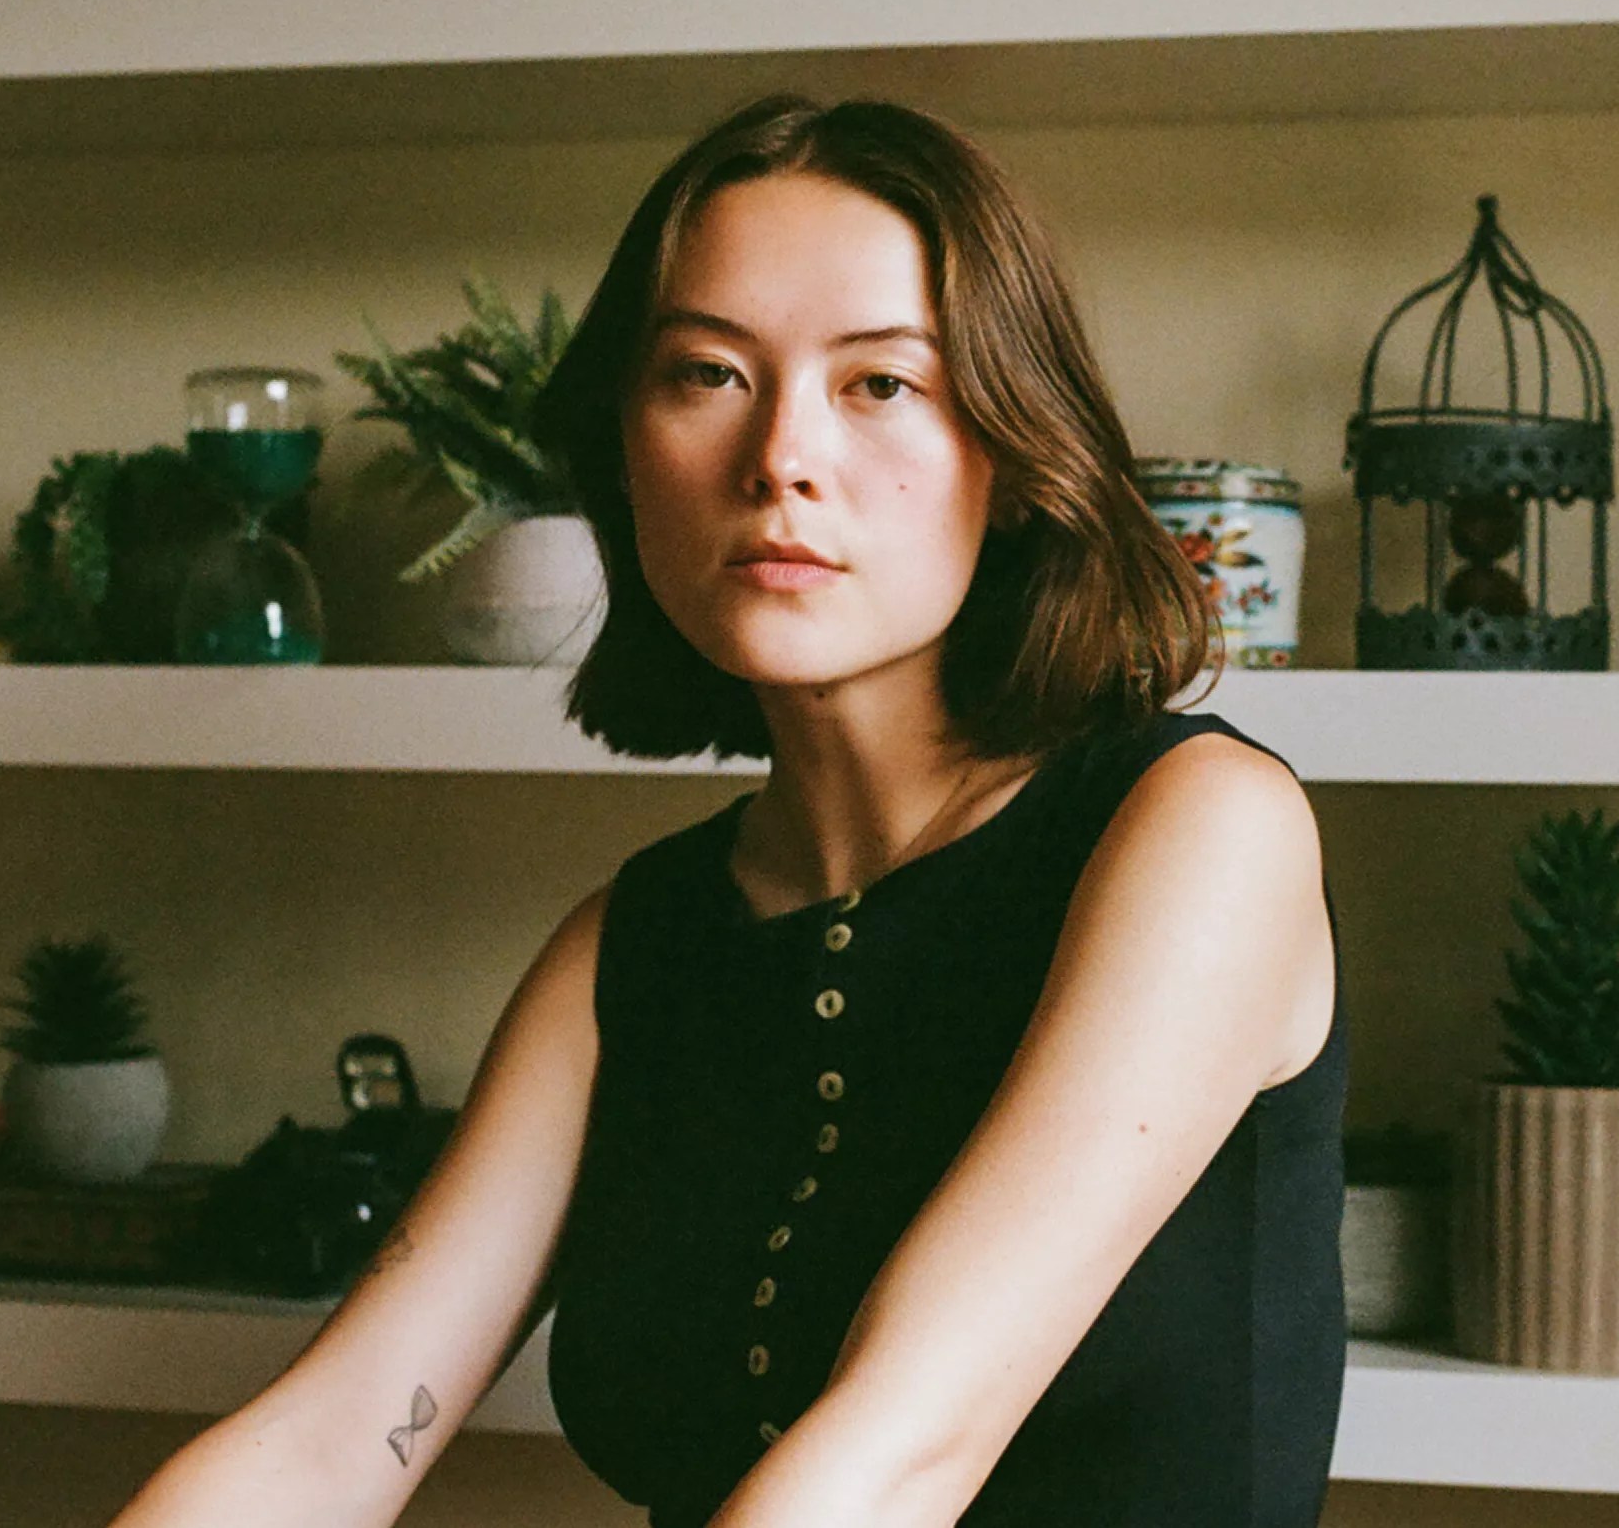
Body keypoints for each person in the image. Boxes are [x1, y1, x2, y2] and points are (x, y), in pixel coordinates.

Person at [109, 94, 1347, 1528]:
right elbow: (331, 1440)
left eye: (880, 383)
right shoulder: (625, 951)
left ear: (1008, 460)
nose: (780, 460)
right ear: (628, 453)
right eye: (707, 373)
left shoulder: (1201, 830)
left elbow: (900, 1457)